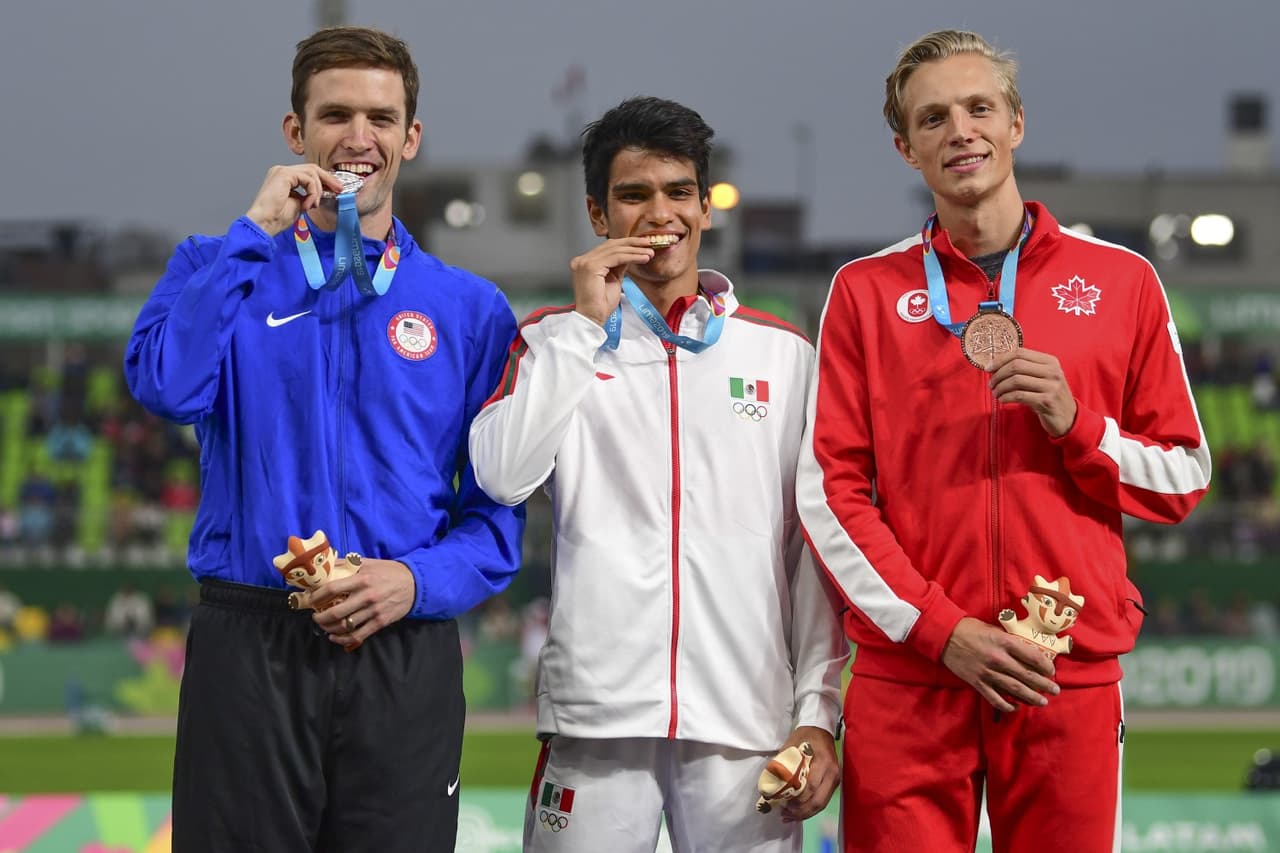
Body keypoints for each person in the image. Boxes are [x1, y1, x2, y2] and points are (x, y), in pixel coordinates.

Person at [797, 29, 1213, 852]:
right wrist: (939, 629)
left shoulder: (1123, 280)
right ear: (906, 147)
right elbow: (829, 492)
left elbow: (1183, 476)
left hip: (1060, 670)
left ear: (1016, 123)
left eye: (979, 108)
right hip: (912, 675)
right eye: (933, 118)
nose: (961, 131)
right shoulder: (865, 291)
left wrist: (1078, 426)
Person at [124, 26, 524, 853]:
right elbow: (166, 386)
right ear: (295, 131)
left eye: (381, 118)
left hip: (402, 642)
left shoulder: (470, 309)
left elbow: (497, 514)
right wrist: (254, 231)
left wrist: (415, 580)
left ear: (410, 138)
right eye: (335, 114)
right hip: (251, 646)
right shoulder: (214, 265)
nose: (358, 137)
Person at [469, 96, 847, 853]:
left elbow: (808, 550)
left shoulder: (782, 355)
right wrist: (585, 329)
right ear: (597, 213)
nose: (659, 213)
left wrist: (817, 712)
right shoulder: (551, 340)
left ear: (706, 206)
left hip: (746, 721)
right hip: (596, 720)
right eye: (633, 195)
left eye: (678, 191)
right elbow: (502, 475)